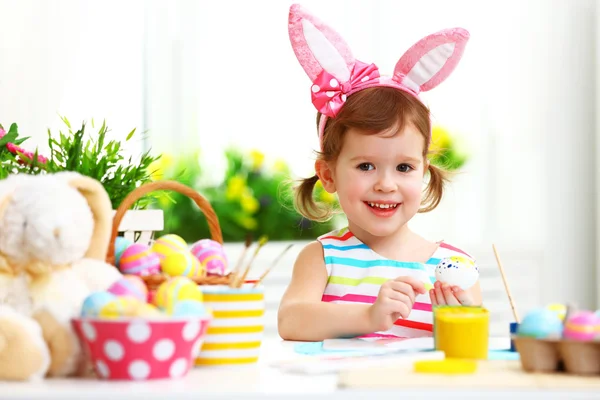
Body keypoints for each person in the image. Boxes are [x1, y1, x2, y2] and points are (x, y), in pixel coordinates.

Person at [278, 4, 482, 342]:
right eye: (365, 166)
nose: (386, 184)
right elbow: (292, 320)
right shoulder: (323, 258)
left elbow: (470, 353)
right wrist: (369, 315)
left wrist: (462, 320)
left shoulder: (455, 266)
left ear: (423, 174)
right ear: (328, 175)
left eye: (404, 167)